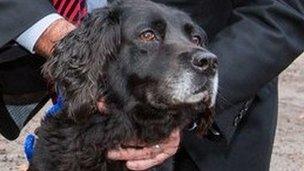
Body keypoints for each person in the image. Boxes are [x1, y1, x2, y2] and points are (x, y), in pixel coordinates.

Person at [0, 0, 303, 170]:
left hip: (216, 132)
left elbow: (286, 6)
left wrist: (189, 101)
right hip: (71, 113)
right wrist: (59, 39)